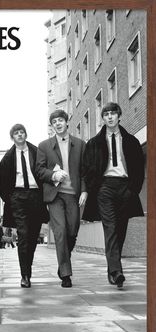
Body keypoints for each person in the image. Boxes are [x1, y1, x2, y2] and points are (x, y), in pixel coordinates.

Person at [82, 102, 144, 288]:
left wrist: (133, 189)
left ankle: (112, 268)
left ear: (119, 116)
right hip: (105, 188)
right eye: (106, 114)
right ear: (103, 118)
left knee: (121, 229)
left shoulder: (131, 140)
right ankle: (117, 271)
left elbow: (139, 168)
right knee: (110, 228)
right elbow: (87, 168)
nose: (109, 117)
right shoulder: (94, 143)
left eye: (113, 113)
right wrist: (94, 188)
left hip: (126, 187)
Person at [36, 110, 87, 288]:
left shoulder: (80, 144)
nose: (57, 123)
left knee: (72, 231)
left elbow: (84, 171)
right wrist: (54, 174)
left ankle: (64, 259)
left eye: (60, 120)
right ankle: (65, 273)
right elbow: (39, 170)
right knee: (60, 231)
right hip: (55, 195)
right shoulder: (44, 146)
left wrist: (85, 191)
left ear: (67, 123)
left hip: (73, 194)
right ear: (52, 126)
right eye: (54, 121)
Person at [0, 124, 49, 288]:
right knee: (23, 234)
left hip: (35, 196)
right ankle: (24, 275)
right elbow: (2, 181)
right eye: (16, 133)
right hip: (18, 197)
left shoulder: (36, 151)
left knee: (33, 236)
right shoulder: (8, 157)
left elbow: (44, 172)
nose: (19, 135)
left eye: (22, 132)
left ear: (26, 135)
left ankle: (28, 269)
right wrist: (10, 198)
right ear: (12, 137)